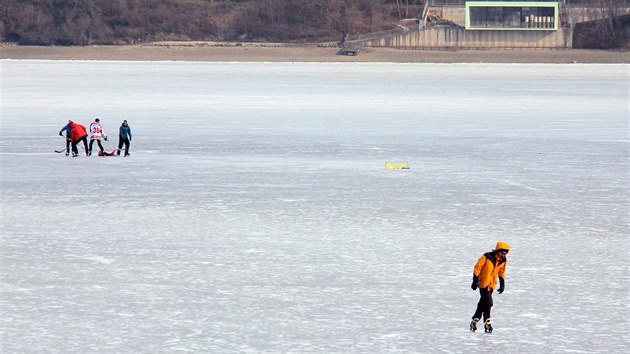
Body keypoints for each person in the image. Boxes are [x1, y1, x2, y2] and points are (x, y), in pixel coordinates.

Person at [470, 241, 509, 333]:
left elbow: (501, 272)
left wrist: (502, 284)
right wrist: (475, 281)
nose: (503, 255)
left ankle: (474, 320)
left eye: (505, 253)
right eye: (502, 253)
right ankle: (487, 322)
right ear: (497, 251)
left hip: (492, 285)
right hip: (483, 283)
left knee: (483, 303)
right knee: (489, 302)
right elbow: (477, 267)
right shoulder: (487, 256)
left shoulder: (503, 260)